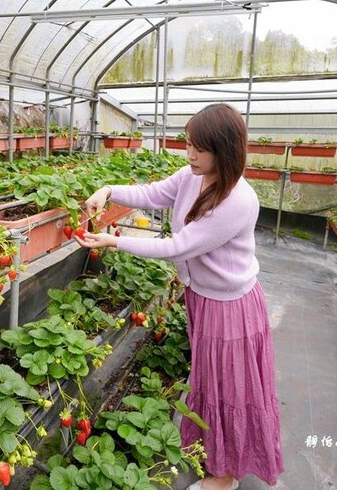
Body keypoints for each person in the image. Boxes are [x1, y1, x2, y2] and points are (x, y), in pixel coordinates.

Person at [75, 103, 283, 490]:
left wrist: (115, 241)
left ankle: (223, 477)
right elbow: (155, 193)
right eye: (187, 144)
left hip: (230, 308)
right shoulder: (193, 176)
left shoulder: (238, 200)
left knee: (229, 389)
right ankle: (218, 459)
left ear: (225, 150)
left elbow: (179, 247)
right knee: (211, 381)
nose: (189, 155)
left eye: (199, 148)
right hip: (203, 298)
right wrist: (108, 190)